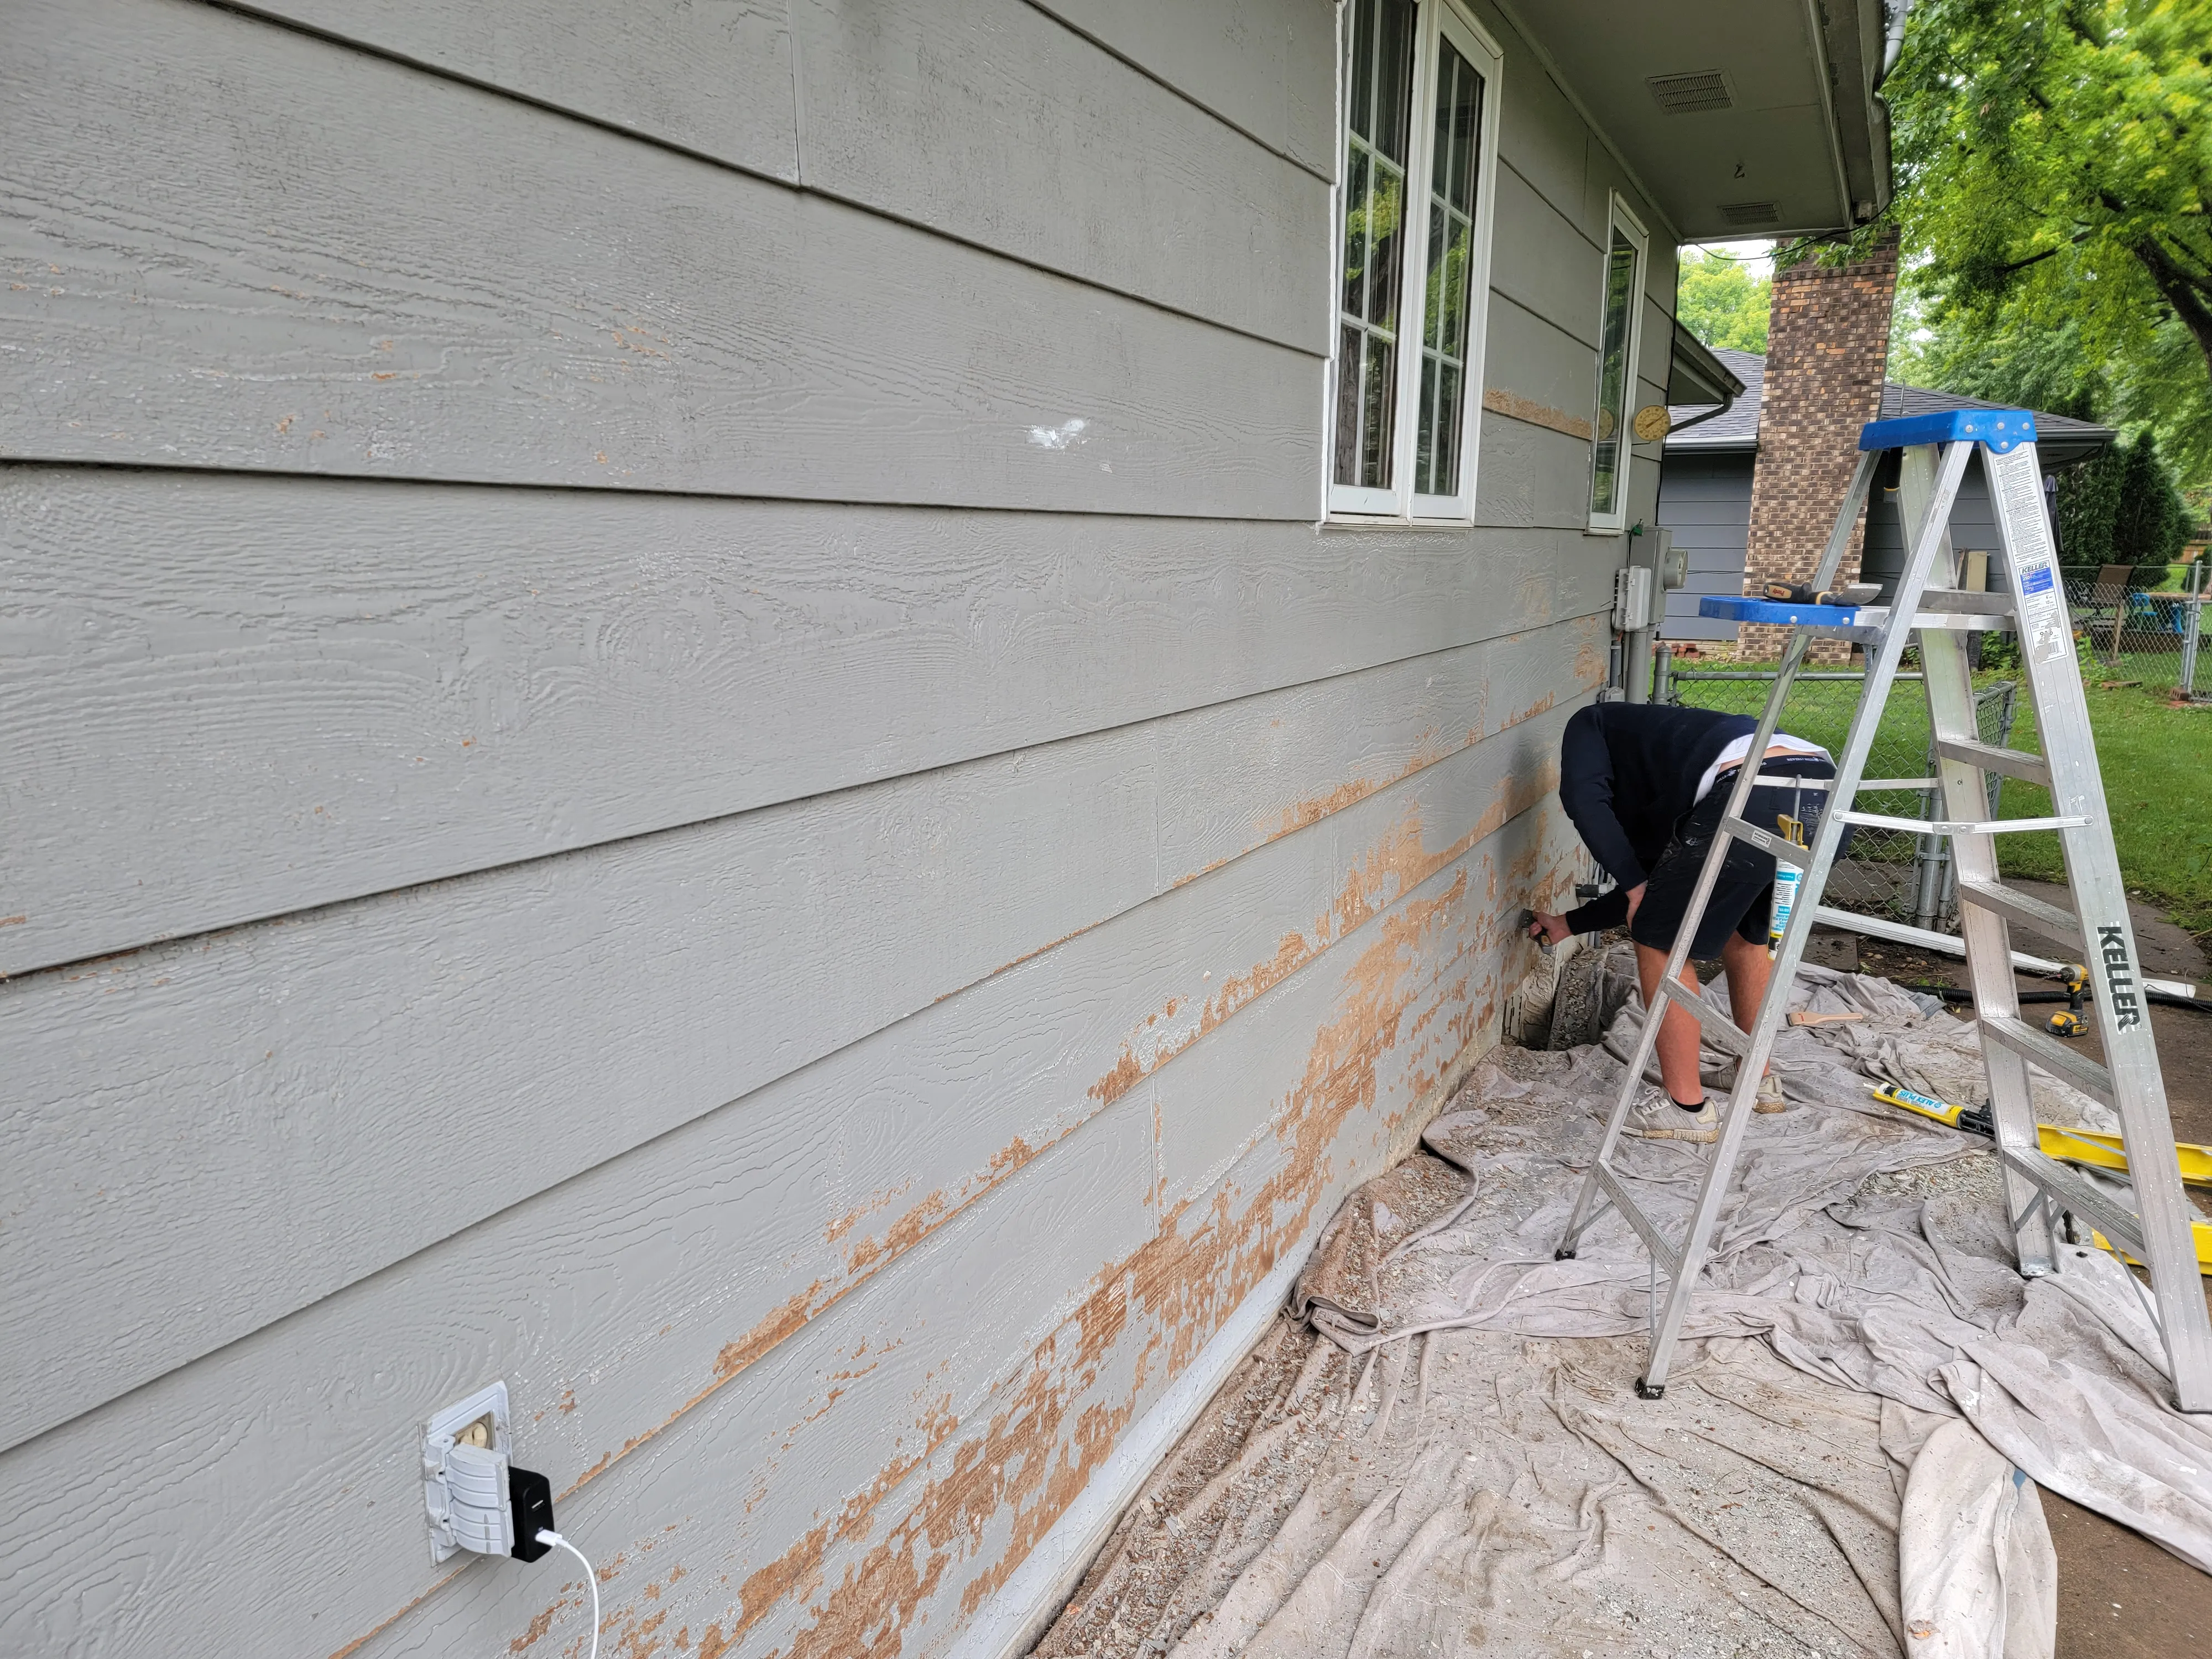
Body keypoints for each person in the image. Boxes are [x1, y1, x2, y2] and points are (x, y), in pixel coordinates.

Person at [1525, 702, 1836, 1144]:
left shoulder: (1590, 722)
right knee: (1747, 936)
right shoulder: (1673, 753)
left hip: (1747, 792)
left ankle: (1683, 1107)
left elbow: (1583, 800)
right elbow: (1654, 887)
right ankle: (1758, 1081)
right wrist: (1569, 924)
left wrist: (1632, 885)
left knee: (1657, 940)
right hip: (1824, 796)